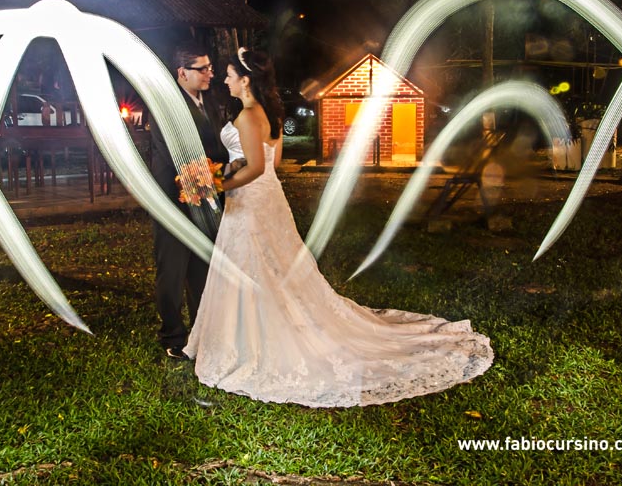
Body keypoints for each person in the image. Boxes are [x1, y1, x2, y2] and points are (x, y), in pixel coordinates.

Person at [183, 48, 494, 407]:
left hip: (250, 204)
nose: (225, 80)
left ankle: (251, 341)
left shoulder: (249, 116)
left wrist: (216, 185)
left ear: (246, 80)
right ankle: (258, 329)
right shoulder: (270, 113)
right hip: (268, 200)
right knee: (275, 266)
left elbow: (255, 168)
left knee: (254, 266)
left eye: (229, 75)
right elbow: (273, 161)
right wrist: (235, 165)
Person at [149, 41, 229, 360]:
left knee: (201, 267)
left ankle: (199, 330)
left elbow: (216, 149)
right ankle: (173, 336)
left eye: (210, 67)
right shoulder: (166, 106)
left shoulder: (209, 104)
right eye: (203, 69)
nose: (211, 73)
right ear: (182, 73)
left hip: (206, 197)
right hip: (172, 199)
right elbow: (174, 155)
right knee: (171, 268)